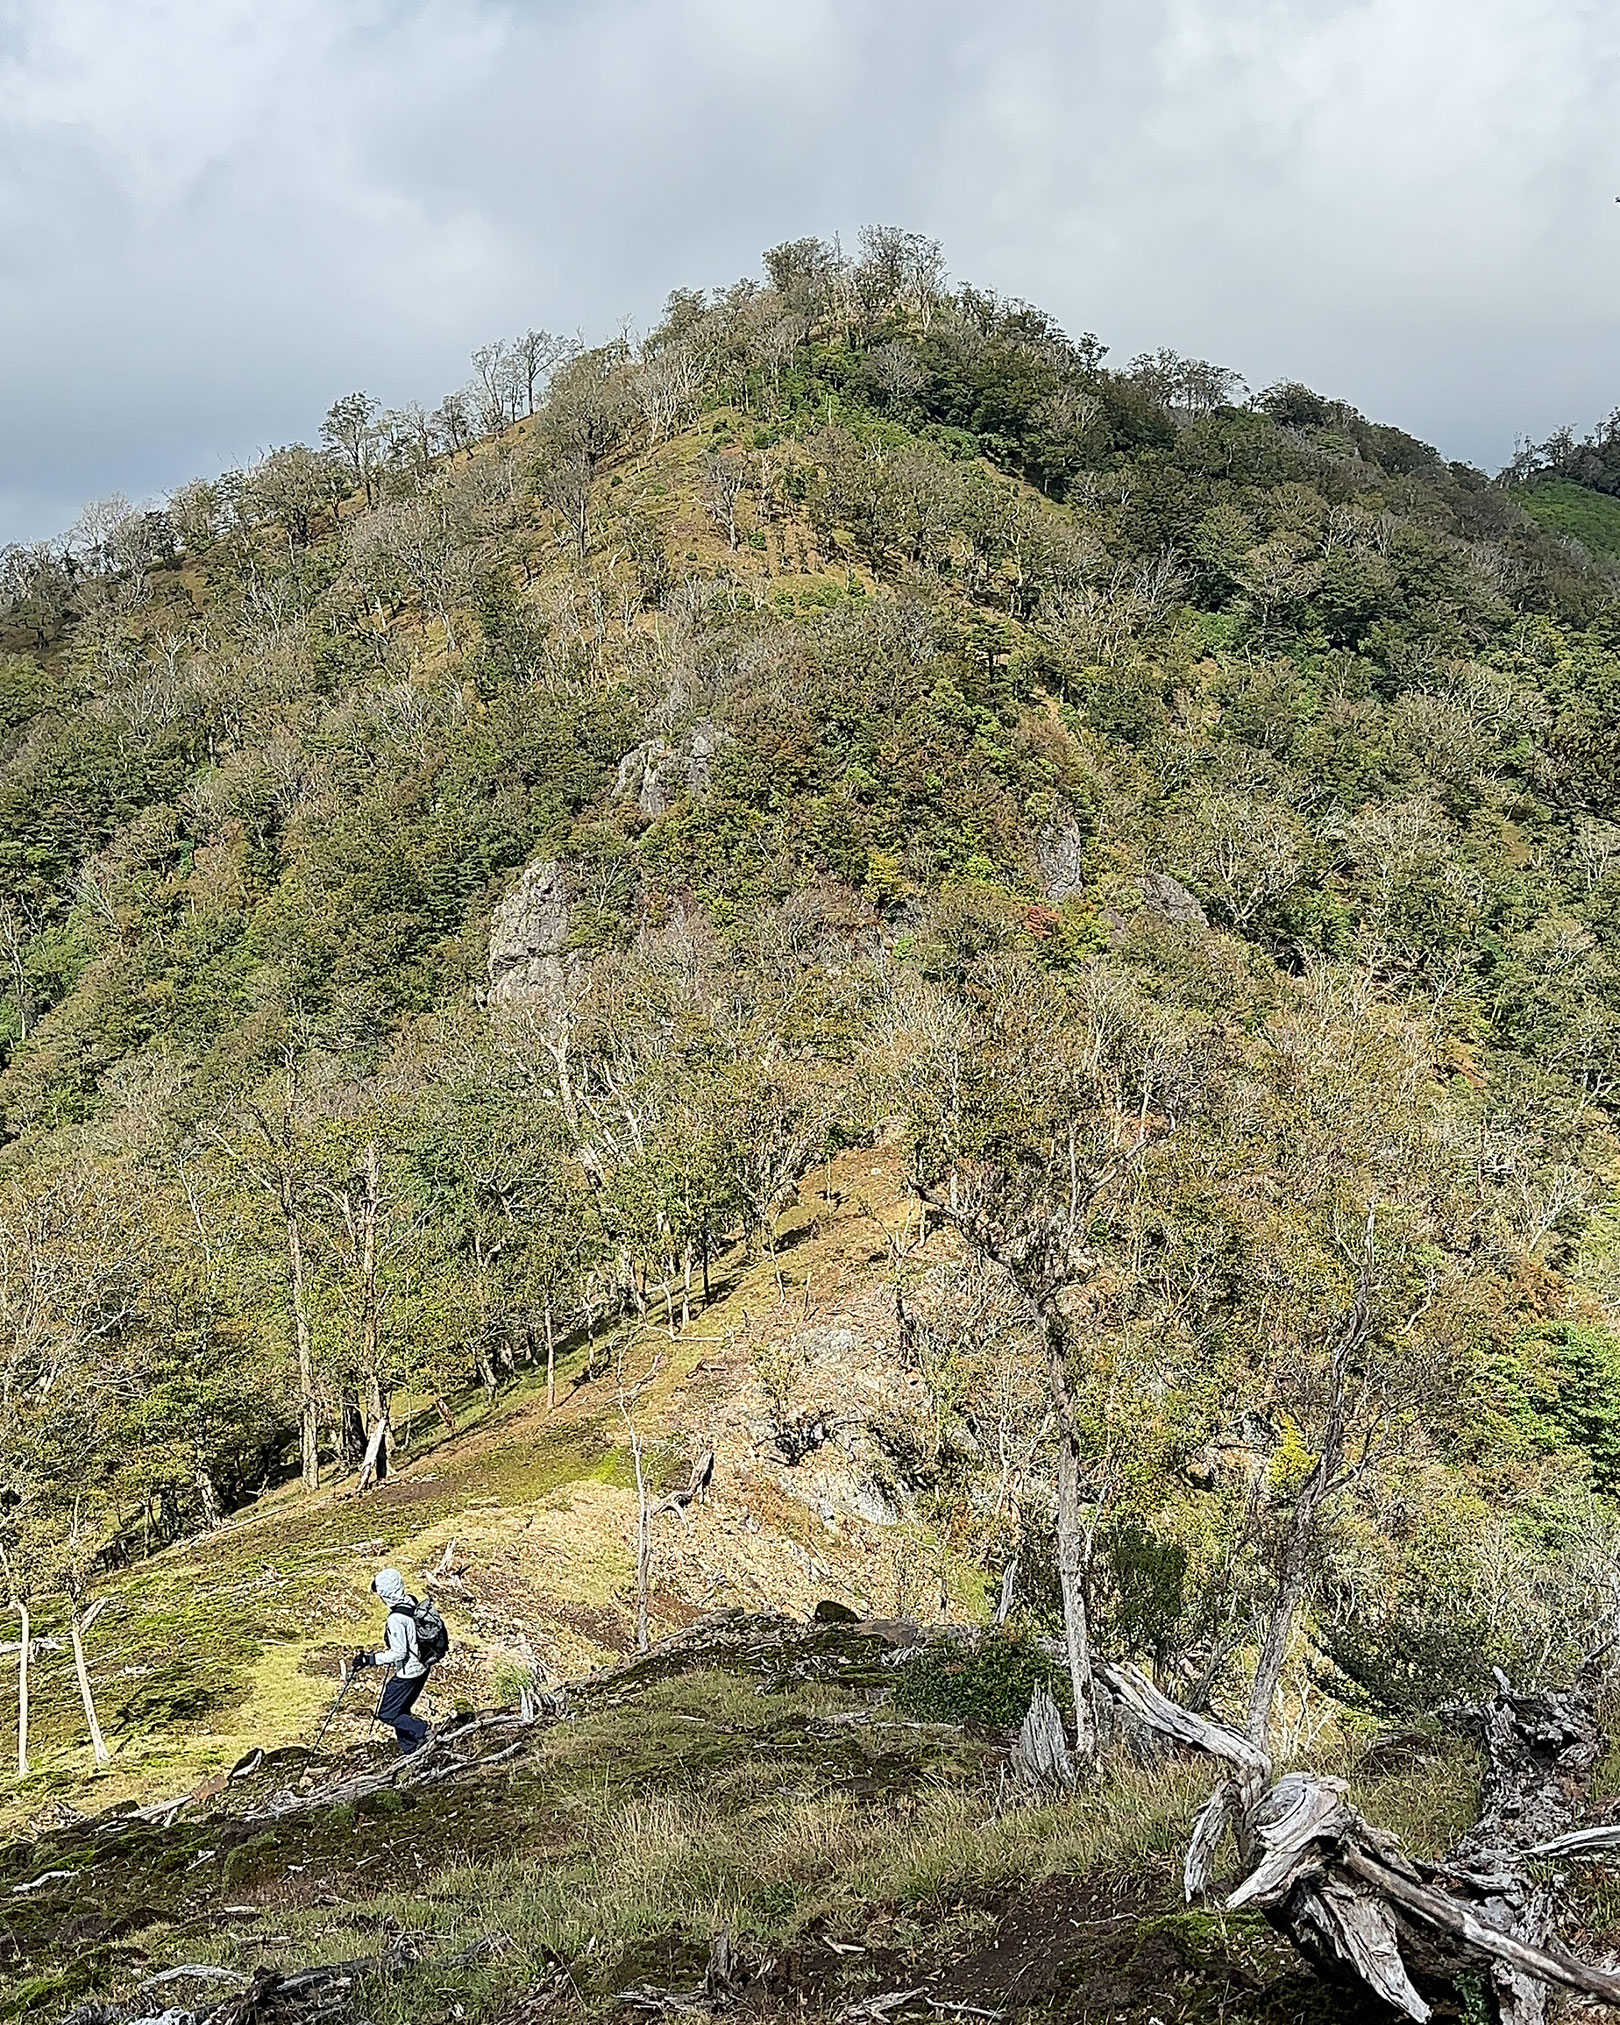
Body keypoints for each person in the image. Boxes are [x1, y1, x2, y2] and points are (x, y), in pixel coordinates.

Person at [351, 1567, 434, 1755]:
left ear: (386, 1593)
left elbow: (398, 1653)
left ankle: (423, 1730)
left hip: (409, 1672)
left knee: (387, 1713)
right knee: (402, 1709)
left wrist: (369, 1659)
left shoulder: (396, 1618)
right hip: (423, 1665)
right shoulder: (411, 1601)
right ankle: (411, 1749)